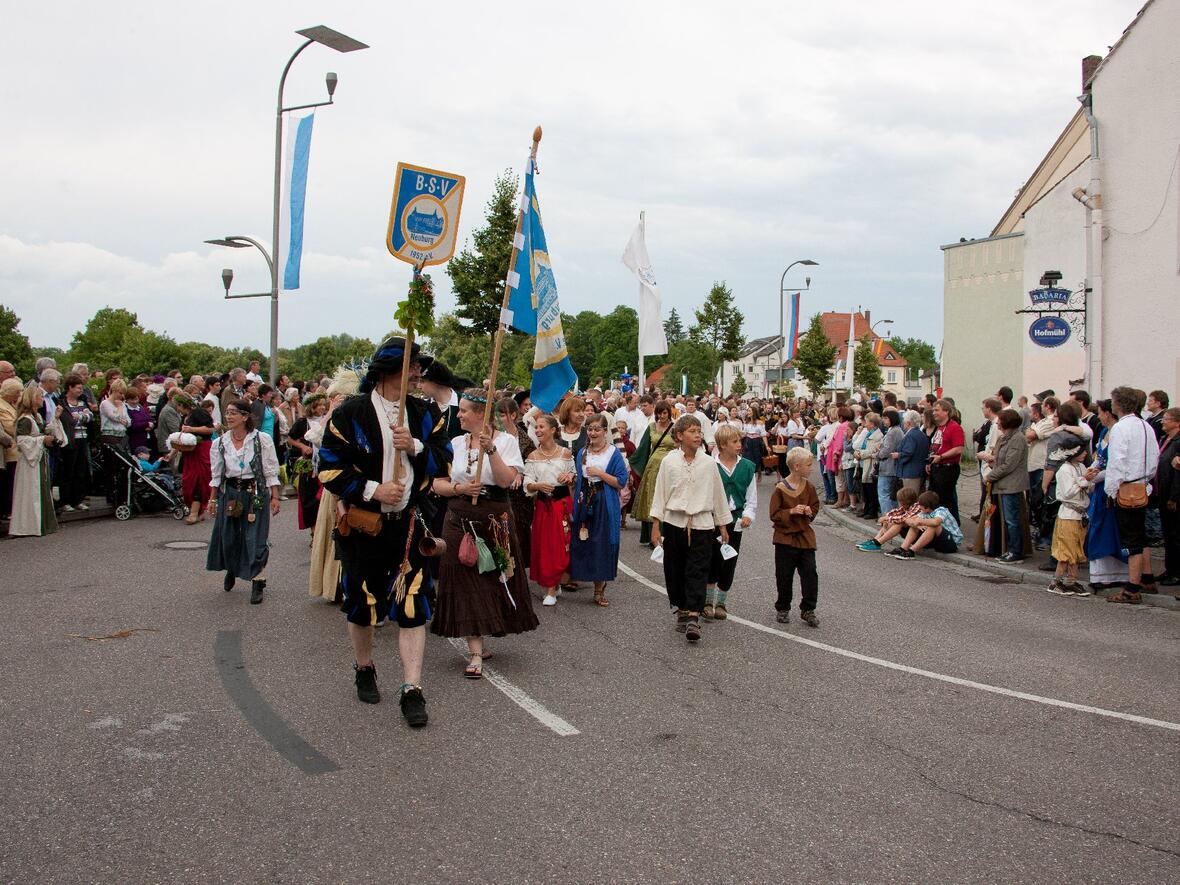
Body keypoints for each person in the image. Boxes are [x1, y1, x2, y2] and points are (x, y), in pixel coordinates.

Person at [317, 339, 451, 725]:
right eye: (413, 367)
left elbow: (444, 457)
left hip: (408, 526)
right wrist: (372, 489)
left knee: (413, 606)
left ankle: (412, 688)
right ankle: (364, 667)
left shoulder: (425, 414)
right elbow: (328, 467)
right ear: (392, 369)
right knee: (361, 603)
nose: (418, 374)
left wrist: (417, 446)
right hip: (364, 527)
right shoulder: (351, 414)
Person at [430, 386, 538, 678]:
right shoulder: (453, 443)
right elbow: (436, 483)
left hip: (494, 517)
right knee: (464, 578)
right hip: (459, 516)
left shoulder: (506, 443)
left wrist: (490, 451)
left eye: (464, 410)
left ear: (480, 413)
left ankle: (484, 632)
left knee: (491, 578)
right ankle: (475, 651)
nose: (460, 415)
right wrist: (459, 488)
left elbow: (506, 481)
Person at [649, 415, 731, 643]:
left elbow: (718, 495)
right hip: (675, 523)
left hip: (703, 524)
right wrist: (656, 524)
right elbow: (660, 493)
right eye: (692, 431)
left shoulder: (708, 463)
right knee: (675, 569)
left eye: (699, 431)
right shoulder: (669, 462)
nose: (697, 435)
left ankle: (694, 617)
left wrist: (722, 525)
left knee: (698, 569)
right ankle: (682, 609)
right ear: (679, 436)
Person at [206, 399, 280, 605]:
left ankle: (258, 581)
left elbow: (270, 469)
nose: (228, 416)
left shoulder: (261, 440)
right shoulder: (220, 442)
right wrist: (212, 499)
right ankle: (232, 568)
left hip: (255, 493)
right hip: (230, 494)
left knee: (255, 538)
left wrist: (275, 496)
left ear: (245, 417)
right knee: (228, 536)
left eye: (233, 413)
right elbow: (216, 474)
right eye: (227, 412)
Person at [307, 367, 361, 603]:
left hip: (352, 484)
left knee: (352, 534)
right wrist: (331, 412)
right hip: (335, 487)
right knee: (337, 533)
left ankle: (350, 585)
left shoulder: (356, 420)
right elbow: (317, 438)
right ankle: (336, 585)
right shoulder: (334, 420)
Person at [1104, 387, 1161, 604]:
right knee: (1140, 534)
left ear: (1119, 404)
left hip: (1126, 486)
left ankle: (1132, 587)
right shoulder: (1145, 425)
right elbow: (1154, 456)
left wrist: (1112, 490)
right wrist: (1145, 479)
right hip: (1142, 485)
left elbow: (1117, 462)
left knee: (1132, 540)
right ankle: (1146, 577)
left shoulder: (1121, 428)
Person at [568, 412, 630, 607]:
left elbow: (620, 481)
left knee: (602, 542)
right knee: (583, 539)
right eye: (590, 429)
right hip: (585, 499)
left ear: (605, 431)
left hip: (604, 500)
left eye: (597, 429)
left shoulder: (613, 453)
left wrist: (600, 473)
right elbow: (580, 478)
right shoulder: (582, 453)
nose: (593, 433)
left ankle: (599, 589)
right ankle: (579, 576)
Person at [704, 424, 758, 620]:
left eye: (739, 441)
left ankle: (722, 602)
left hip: (735, 520)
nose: (739, 445)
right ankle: (708, 600)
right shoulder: (710, 465)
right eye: (734, 442)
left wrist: (748, 515)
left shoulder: (747, 467)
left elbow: (751, 498)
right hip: (713, 520)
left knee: (729, 560)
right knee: (712, 559)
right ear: (722, 445)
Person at [524, 414, 576, 606]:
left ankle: (552, 587)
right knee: (544, 546)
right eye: (536, 427)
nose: (537, 431)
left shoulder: (565, 454)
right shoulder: (532, 457)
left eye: (541, 427)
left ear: (553, 430)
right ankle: (551, 584)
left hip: (561, 506)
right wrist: (537, 486)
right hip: (542, 507)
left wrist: (569, 475)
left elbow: (575, 476)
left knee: (560, 546)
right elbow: (527, 483)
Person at [770, 446, 822, 626]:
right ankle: (783, 608)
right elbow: (774, 514)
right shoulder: (780, 488)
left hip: (805, 537)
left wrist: (809, 511)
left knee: (810, 573)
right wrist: (791, 511)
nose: (812, 468)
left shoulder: (810, 487)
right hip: (785, 538)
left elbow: (815, 507)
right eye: (809, 465)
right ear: (797, 466)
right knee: (784, 575)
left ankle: (808, 609)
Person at [977, 408, 1030, 563]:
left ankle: (1016, 551)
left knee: (1012, 520)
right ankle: (1009, 549)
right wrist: (989, 460)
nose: (997, 423)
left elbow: (1009, 465)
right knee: (1008, 519)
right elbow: (1000, 460)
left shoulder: (1018, 439)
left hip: (1011, 485)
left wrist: (990, 476)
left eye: (999, 420)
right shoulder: (1004, 437)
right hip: (1002, 484)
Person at [10, 385, 63, 537]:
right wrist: (41, 440)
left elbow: (45, 430)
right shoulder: (25, 419)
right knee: (31, 491)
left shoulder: (36, 417)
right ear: (33, 399)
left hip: (38, 459)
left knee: (40, 489)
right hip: (29, 462)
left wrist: (56, 418)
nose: (42, 399)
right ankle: (27, 526)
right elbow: (21, 440)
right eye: (40, 396)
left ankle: (41, 524)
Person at [1046, 440, 1093, 596]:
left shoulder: (1080, 467)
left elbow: (1087, 486)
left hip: (1080, 514)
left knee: (1077, 549)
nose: (1086, 453)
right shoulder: (1064, 470)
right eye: (1082, 451)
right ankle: (1056, 582)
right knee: (1066, 550)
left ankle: (1071, 581)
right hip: (1068, 515)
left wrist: (1090, 480)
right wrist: (1084, 480)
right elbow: (1067, 493)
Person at [630, 400, 676, 546]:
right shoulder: (651, 427)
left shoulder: (675, 428)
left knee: (667, 498)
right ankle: (651, 536)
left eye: (664, 412)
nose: (662, 416)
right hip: (653, 468)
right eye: (659, 413)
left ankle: (666, 534)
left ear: (669, 412)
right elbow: (643, 448)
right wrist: (632, 463)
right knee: (652, 499)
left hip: (670, 468)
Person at [286, 392, 327, 533]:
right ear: (312, 407)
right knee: (309, 499)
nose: (322, 407)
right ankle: (314, 532)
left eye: (323, 404)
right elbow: (290, 439)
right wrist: (303, 446)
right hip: (309, 466)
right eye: (319, 405)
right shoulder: (303, 422)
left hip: (324, 463)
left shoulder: (327, 420)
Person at [885, 490, 962, 560]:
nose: (919, 507)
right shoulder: (925, 512)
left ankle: (911, 551)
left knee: (933, 526)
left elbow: (936, 522)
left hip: (951, 543)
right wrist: (915, 524)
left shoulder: (941, 510)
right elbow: (908, 519)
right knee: (914, 526)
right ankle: (903, 549)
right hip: (937, 542)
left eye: (920, 505)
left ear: (926, 506)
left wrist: (919, 522)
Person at [175, 393, 215, 524]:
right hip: (190, 452)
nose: (177, 409)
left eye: (178, 406)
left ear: (182, 404)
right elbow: (181, 436)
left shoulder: (199, 412)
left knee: (199, 480)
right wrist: (172, 452)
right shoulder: (184, 417)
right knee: (188, 481)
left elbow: (210, 429)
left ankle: (194, 513)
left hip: (202, 450)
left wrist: (192, 429)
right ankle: (199, 511)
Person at [57, 373, 93, 513]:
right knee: (68, 471)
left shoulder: (82, 401)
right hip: (70, 439)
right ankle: (65, 501)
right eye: (78, 388)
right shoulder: (62, 402)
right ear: (70, 387)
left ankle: (78, 499)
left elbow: (89, 417)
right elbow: (68, 420)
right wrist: (81, 417)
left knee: (80, 470)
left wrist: (81, 417)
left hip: (82, 438)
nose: (80, 391)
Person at [927, 399, 965, 525]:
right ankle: (938, 524)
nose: (934, 413)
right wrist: (930, 461)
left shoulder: (954, 427)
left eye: (937, 410)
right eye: (933, 410)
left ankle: (953, 525)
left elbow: (959, 448)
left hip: (947, 468)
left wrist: (941, 457)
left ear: (946, 411)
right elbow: (935, 446)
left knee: (946, 499)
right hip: (936, 466)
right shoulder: (939, 428)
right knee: (934, 498)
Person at [1155, 407, 1180, 592]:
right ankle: (1169, 568)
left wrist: (1174, 497)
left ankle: (1176, 571)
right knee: (1168, 534)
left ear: (1177, 422)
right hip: (1162, 492)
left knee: (1175, 534)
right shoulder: (1166, 439)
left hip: (1173, 494)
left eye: (1167, 418)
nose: (1163, 421)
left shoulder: (1179, 442)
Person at [856, 486, 921, 552]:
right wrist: (886, 520)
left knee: (898, 522)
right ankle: (875, 540)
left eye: (901, 502)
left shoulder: (917, 506)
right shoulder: (905, 506)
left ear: (906, 501)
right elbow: (894, 512)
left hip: (918, 532)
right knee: (892, 520)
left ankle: (878, 543)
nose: (900, 503)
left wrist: (887, 518)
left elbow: (905, 518)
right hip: (910, 530)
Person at [0, 378, 20, 532]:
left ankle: (12, 508)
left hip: (16, 449)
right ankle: (7, 510)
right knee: (9, 482)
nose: (19, 395)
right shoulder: (2, 406)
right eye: (17, 392)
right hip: (10, 449)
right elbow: (9, 426)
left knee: (13, 482)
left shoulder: (12, 405)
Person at [874, 410, 904, 515]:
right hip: (891, 467)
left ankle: (887, 518)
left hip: (888, 467)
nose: (884, 420)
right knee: (890, 495)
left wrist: (877, 453)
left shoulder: (893, 432)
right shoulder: (894, 430)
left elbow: (887, 450)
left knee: (884, 494)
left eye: (886, 418)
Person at [895, 409, 930, 494]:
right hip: (919, 470)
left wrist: (898, 455)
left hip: (910, 472)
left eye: (904, 421)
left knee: (909, 497)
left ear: (908, 423)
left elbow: (908, 452)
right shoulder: (921, 434)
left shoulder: (911, 435)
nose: (903, 423)